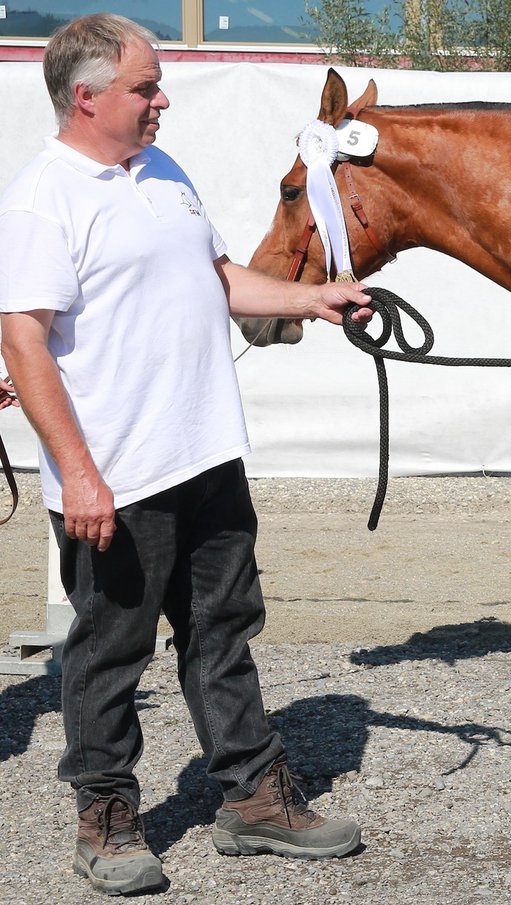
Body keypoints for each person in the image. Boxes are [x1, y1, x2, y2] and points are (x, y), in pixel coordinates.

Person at [0, 14, 372, 896]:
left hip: (205, 453)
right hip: (116, 475)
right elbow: (23, 339)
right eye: (144, 86)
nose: (162, 98)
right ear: (85, 96)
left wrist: (311, 297)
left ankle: (252, 798)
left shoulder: (162, 171)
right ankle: (105, 818)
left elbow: (216, 276)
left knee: (223, 630)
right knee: (108, 651)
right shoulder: (43, 197)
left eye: (158, 82)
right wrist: (78, 472)